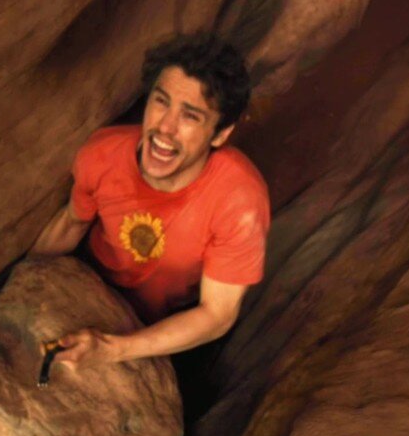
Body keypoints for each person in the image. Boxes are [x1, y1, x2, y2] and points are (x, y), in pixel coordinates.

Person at [30, 33, 269, 370]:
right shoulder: (102, 153)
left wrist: (113, 349)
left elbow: (217, 315)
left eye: (190, 116)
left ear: (220, 134)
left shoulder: (239, 200)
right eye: (161, 101)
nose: (165, 128)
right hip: (90, 285)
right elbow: (72, 223)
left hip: (169, 323)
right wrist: (20, 282)